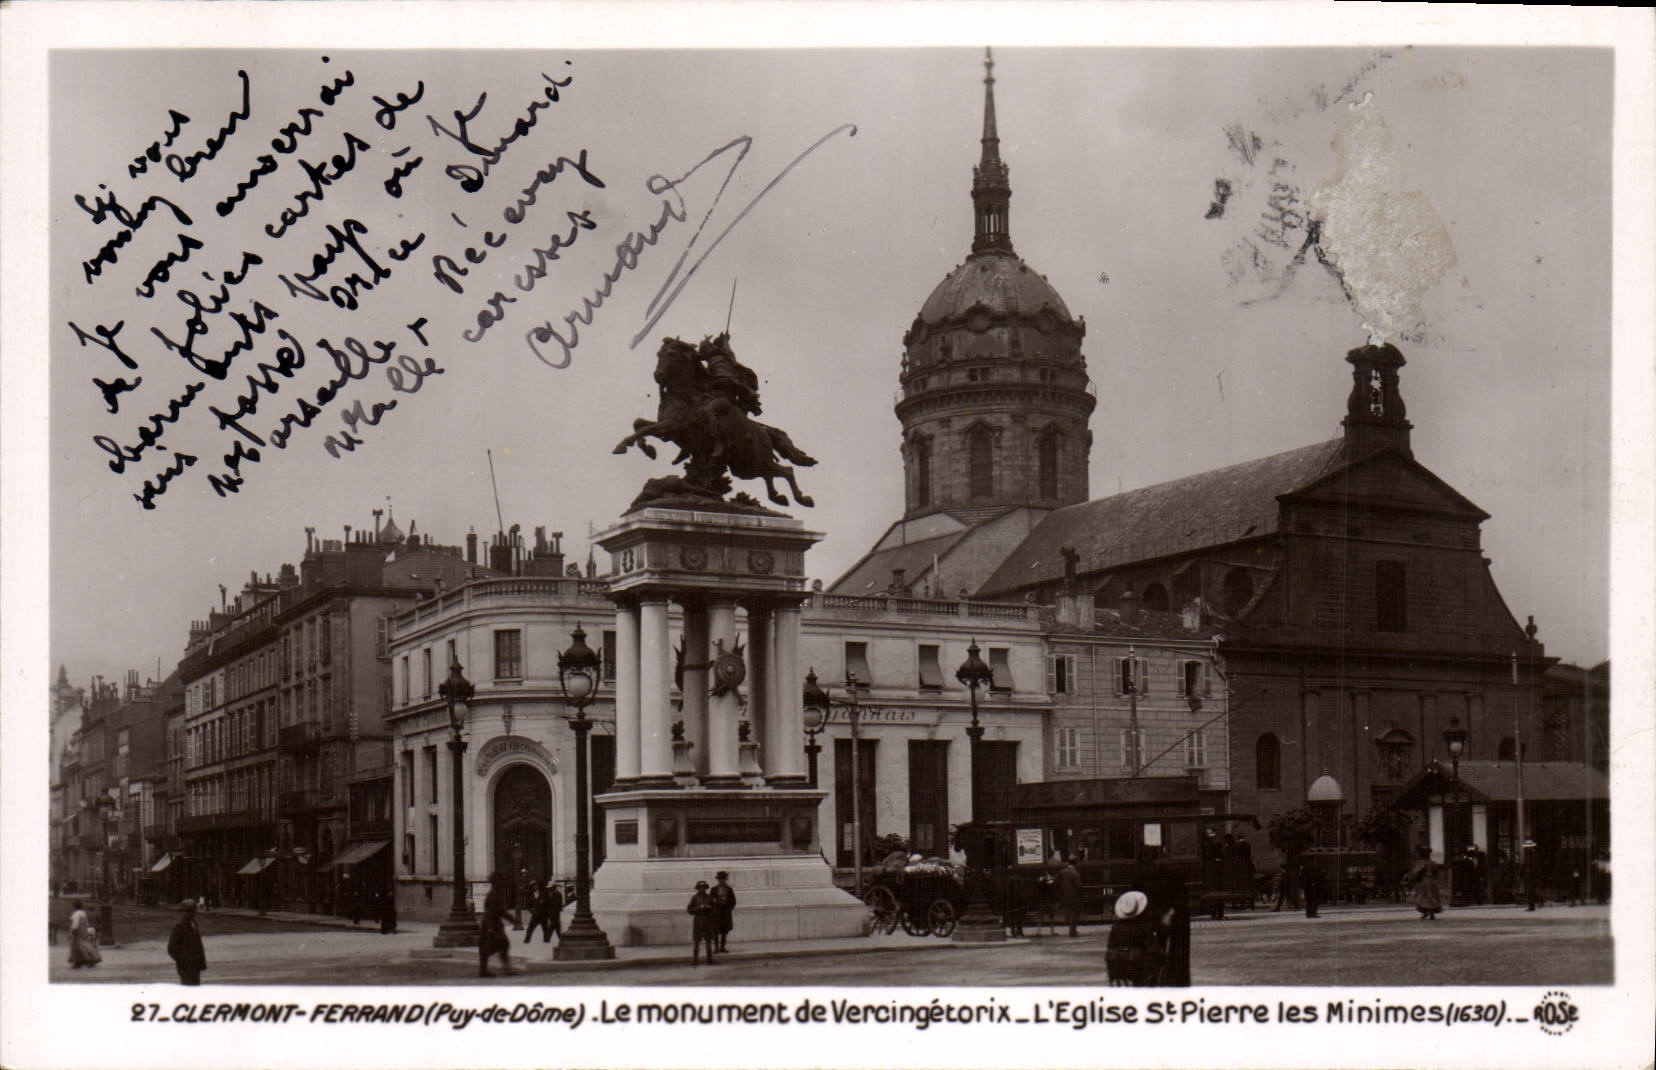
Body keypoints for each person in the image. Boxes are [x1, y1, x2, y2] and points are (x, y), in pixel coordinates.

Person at [1105, 890, 1153, 986]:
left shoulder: (1116, 927)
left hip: (1119, 965)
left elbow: (1110, 945)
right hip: (1138, 964)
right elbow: (1149, 947)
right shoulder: (1144, 927)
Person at [167, 900, 206, 985]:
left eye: (193, 910)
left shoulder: (194, 924)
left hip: (195, 966)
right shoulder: (179, 927)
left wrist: (200, 962)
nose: (191, 913)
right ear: (183, 911)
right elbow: (171, 948)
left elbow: (198, 945)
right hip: (186, 968)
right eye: (188, 910)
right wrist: (183, 960)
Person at [478, 877, 511, 977]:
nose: (502, 884)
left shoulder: (494, 894)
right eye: (500, 882)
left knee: (502, 945)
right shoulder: (493, 896)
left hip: (492, 926)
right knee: (491, 947)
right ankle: (485, 971)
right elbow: (492, 913)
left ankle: (505, 969)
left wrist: (512, 919)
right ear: (496, 883)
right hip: (492, 926)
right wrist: (491, 929)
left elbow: (501, 911)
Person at [1405, 846, 1443, 921]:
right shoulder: (1432, 863)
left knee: (1424, 897)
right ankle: (1428, 913)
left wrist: (1411, 878)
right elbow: (1436, 872)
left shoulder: (1421, 863)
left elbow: (1416, 872)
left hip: (1424, 881)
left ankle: (1428, 913)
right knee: (1431, 896)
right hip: (1432, 881)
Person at [688, 880, 719, 966]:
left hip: (708, 922)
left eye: (704, 887)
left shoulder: (709, 897)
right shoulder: (694, 898)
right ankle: (695, 960)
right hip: (698, 922)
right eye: (700, 887)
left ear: (706, 888)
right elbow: (689, 910)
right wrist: (698, 908)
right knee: (697, 942)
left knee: (708, 942)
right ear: (698, 888)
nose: (702, 889)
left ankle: (710, 960)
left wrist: (709, 908)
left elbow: (715, 909)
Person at [67, 900, 101, 969]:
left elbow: (75, 924)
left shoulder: (76, 914)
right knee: (84, 945)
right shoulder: (83, 913)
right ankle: (82, 961)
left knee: (77, 947)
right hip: (84, 931)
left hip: (78, 932)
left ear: (75, 907)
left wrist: (72, 931)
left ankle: (80, 961)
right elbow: (87, 923)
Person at [1057, 856, 1083, 937]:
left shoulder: (1062, 872)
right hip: (1074, 896)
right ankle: (1072, 931)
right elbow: (1079, 886)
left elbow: (1057, 881)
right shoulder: (1075, 873)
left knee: (1069, 913)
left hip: (1064, 896)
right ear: (1076, 863)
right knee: (1075, 914)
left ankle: (1072, 930)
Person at [711, 871, 737, 952]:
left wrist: (728, 909)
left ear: (725, 879)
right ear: (718, 880)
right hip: (716, 912)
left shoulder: (729, 889)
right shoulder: (714, 889)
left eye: (723, 879)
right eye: (720, 879)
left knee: (724, 931)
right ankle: (716, 948)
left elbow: (733, 901)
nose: (721, 881)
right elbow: (710, 901)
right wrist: (714, 908)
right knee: (715, 931)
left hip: (725, 912)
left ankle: (722, 947)